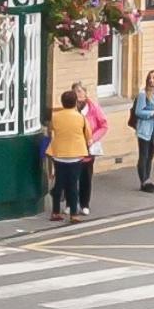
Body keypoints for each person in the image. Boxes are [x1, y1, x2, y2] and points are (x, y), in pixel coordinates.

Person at [47, 89, 92, 223]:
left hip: (59, 154)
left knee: (59, 183)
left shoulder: (56, 116)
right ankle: (74, 214)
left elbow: (51, 130)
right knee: (72, 185)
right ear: (75, 103)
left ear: (62, 102)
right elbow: (88, 135)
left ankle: (55, 212)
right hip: (75, 155)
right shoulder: (81, 117)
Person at [72, 81, 108, 215]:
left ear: (86, 93)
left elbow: (104, 126)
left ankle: (84, 203)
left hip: (89, 146)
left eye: (80, 91)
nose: (78, 94)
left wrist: (93, 138)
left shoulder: (93, 108)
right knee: (72, 176)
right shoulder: (70, 108)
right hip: (73, 147)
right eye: (75, 92)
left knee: (86, 177)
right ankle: (71, 203)